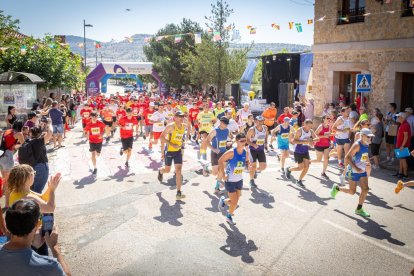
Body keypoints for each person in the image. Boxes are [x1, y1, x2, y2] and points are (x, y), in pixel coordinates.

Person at [0, 199, 71, 275]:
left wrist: (33, 247)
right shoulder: (49, 266)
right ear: (37, 224)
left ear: (7, 224)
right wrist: (54, 247)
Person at [331, 128, 374, 217]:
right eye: (368, 137)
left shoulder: (366, 144)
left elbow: (364, 155)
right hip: (353, 170)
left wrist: (367, 162)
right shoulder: (357, 145)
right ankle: (337, 188)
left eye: (371, 137)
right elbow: (347, 158)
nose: (370, 138)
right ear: (362, 136)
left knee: (365, 189)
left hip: (362, 170)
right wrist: (356, 168)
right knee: (352, 191)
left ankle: (359, 209)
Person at [218, 133, 249, 225]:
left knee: (235, 200)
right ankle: (229, 216)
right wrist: (223, 175)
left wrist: (249, 166)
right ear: (237, 141)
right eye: (242, 141)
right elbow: (220, 160)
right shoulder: (231, 152)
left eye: (245, 141)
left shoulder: (246, 153)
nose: (244, 143)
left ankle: (223, 201)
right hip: (230, 180)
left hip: (239, 180)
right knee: (235, 202)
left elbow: (247, 163)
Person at [158, 111, 186, 200]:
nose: (181, 118)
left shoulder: (183, 126)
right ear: (175, 117)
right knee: (167, 170)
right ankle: (160, 171)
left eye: (182, 117)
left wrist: (182, 142)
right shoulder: (171, 126)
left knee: (178, 171)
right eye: (179, 117)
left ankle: (178, 192)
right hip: (169, 151)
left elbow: (188, 129)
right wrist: (171, 144)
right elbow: (161, 137)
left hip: (178, 151)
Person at [285, 119, 319, 187]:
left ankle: (299, 181)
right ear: (304, 124)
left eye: (311, 126)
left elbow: (317, 138)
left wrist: (311, 140)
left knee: (307, 167)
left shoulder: (311, 131)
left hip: (305, 151)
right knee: (300, 168)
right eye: (308, 126)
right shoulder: (299, 131)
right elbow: (294, 141)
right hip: (298, 151)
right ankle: (289, 169)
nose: (309, 128)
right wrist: (306, 141)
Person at [0, 120, 25, 208]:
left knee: (4, 180)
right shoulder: (19, 134)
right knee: (8, 182)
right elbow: (24, 144)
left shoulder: (7, 131)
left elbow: (10, 144)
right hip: (8, 157)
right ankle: (7, 204)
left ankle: (2, 196)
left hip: (1, 155)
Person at [206, 117, 230, 194]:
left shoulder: (227, 130)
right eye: (225, 124)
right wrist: (214, 149)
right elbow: (207, 141)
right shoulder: (214, 131)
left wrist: (230, 142)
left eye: (227, 124)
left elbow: (231, 137)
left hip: (223, 153)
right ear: (221, 123)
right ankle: (206, 169)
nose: (226, 126)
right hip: (215, 153)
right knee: (214, 173)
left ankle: (217, 188)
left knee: (221, 170)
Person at [29, 126, 53, 193]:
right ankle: (37, 203)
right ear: (40, 133)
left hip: (30, 167)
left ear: (30, 133)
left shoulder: (27, 141)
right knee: (37, 191)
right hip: (41, 167)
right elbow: (50, 132)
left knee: (32, 190)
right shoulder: (39, 142)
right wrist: (50, 124)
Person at [246, 116, 268, 188]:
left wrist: (266, 142)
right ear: (255, 121)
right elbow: (247, 140)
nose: (261, 122)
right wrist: (253, 144)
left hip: (261, 149)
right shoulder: (252, 130)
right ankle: (251, 180)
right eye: (259, 121)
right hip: (253, 150)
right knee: (253, 166)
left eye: (262, 121)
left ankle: (254, 171)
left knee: (263, 167)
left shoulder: (265, 128)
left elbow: (266, 135)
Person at [393, 112, 411, 180]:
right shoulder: (402, 124)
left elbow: (406, 136)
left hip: (402, 146)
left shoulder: (405, 125)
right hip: (399, 145)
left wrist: (402, 146)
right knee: (401, 159)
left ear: (402, 118)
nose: (397, 118)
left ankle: (405, 174)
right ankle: (400, 173)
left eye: (398, 117)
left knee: (403, 160)